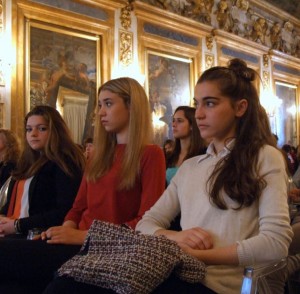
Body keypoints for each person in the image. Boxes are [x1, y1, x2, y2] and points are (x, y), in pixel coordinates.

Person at [135, 58, 293, 293]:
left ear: (240, 108)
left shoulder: (265, 156)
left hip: (225, 286)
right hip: (182, 274)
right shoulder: (190, 167)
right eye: (197, 104)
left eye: (209, 104)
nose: (198, 114)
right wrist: (177, 237)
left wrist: (203, 256)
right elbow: (145, 224)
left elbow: (275, 243)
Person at [0, 77, 166, 293]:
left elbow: (146, 222)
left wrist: (83, 236)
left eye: (108, 103)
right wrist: (65, 229)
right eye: (99, 105)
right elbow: (77, 208)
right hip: (76, 240)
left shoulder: (150, 154)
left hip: (107, 248)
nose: (100, 112)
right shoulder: (99, 155)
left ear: (131, 106)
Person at [0, 105, 85, 292]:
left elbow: (64, 211)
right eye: (29, 129)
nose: (34, 134)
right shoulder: (28, 162)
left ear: (55, 131)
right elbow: (15, 205)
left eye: (42, 128)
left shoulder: (64, 162)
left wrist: (17, 225)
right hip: (17, 233)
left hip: (42, 236)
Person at [166, 106, 206, 186]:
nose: (174, 124)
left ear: (191, 125)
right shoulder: (170, 156)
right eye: (173, 121)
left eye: (179, 121)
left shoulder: (203, 155)